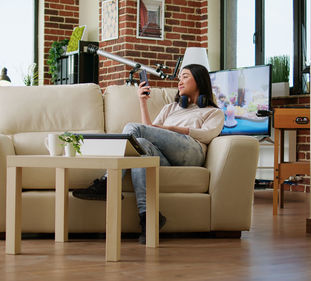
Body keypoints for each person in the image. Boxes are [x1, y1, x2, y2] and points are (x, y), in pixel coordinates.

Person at [73, 64, 225, 244]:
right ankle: (148, 217)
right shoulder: (170, 108)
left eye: (184, 77)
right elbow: (148, 130)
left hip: (192, 152)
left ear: (199, 80)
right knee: (141, 148)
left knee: (132, 128)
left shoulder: (213, 112)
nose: (179, 82)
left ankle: (108, 182)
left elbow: (207, 134)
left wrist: (170, 128)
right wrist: (142, 102)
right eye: (179, 79)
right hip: (166, 158)